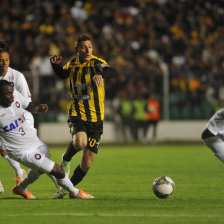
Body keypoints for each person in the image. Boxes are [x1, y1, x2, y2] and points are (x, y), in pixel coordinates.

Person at [0, 80, 94, 199]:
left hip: (34, 141)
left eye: (12, 92)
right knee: (58, 171)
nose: (12, 97)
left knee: (40, 169)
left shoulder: (15, 96)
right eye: (8, 94)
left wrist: (38, 109)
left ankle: (21, 188)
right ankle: (74, 192)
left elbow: (28, 106)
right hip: (21, 151)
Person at [50, 34, 117, 199]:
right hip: (77, 112)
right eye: (83, 47)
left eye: (90, 47)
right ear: (76, 49)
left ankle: (68, 188)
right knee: (80, 143)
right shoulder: (72, 64)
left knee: (86, 164)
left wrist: (102, 75)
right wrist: (55, 65)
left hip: (96, 118)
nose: (87, 50)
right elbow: (62, 74)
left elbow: (111, 72)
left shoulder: (96, 63)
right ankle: (65, 159)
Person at [0, 40, 30, 186]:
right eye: (1, 60)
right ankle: (18, 172)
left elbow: (27, 101)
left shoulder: (17, 77)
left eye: (6, 60)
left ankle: (20, 172)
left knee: (9, 150)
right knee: (3, 149)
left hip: (16, 120)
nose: (4, 63)